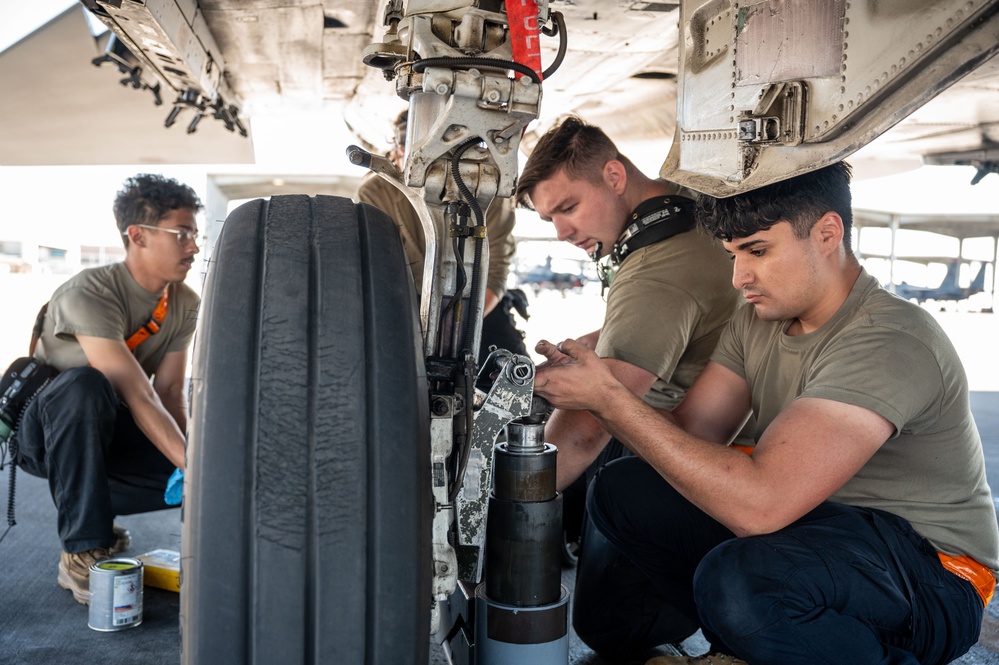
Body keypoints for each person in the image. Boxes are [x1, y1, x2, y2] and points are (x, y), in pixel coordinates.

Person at [533, 161, 999, 664]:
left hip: (928, 573)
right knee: (625, 489)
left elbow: (761, 507)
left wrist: (609, 399)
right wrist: (596, 388)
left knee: (741, 580)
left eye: (757, 251)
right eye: (733, 254)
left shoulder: (889, 340)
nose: (738, 277)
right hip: (815, 533)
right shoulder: (757, 322)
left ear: (826, 233)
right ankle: (736, 642)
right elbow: (692, 433)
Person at [516, 115, 745, 657]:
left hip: (687, 457)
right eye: (550, 217)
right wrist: (595, 343)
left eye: (568, 208)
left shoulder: (656, 272)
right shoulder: (684, 201)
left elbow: (588, 427)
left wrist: (505, 507)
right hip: (706, 433)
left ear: (615, 176)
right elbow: (673, 321)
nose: (562, 232)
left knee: (612, 629)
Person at [16, 173, 202, 605]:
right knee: (85, 385)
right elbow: (138, 393)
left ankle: (94, 513)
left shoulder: (184, 302)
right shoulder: (90, 293)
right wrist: (195, 469)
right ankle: (81, 551)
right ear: (137, 235)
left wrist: (199, 469)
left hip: (108, 432)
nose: (193, 246)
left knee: (212, 460)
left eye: (195, 234)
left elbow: (171, 392)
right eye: (182, 234)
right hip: (45, 437)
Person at [356, 110, 527, 367]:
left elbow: (496, 271)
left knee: (512, 375)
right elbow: (376, 272)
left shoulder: (490, 191)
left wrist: (463, 327)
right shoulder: (377, 191)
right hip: (407, 308)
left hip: (478, 306)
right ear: (400, 153)